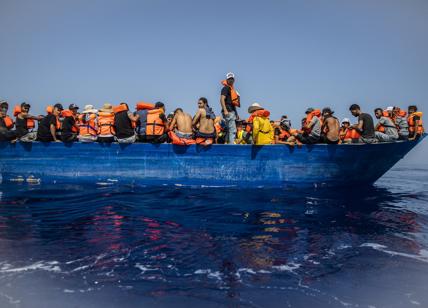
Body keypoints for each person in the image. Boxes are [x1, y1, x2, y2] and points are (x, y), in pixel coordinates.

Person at [220, 72, 240, 144]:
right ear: (227, 80)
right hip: (228, 111)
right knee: (232, 130)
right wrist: (225, 110)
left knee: (229, 129)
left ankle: (227, 144)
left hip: (232, 111)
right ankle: (231, 145)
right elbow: (222, 99)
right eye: (229, 79)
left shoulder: (231, 90)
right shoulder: (226, 88)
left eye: (232, 79)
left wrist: (236, 114)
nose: (231, 80)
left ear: (234, 80)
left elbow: (233, 104)